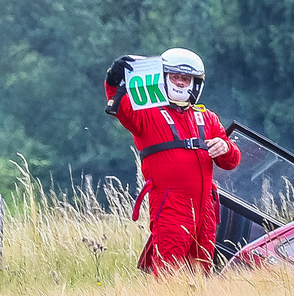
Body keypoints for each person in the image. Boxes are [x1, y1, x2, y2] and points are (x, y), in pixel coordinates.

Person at [103, 48, 241, 276]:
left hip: (206, 209)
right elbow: (121, 108)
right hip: (170, 205)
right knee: (169, 271)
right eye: (174, 77)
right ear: (163, 79)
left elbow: (231, 162)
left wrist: (226, 147)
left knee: (201, 273)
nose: (179, 82)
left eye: (185, 78)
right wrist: (113, 79)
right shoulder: (147, 115)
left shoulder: (208, 118)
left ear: (194, 83)